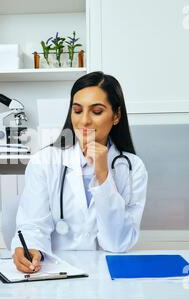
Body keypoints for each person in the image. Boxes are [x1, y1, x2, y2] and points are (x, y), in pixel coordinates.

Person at [11, 71, 148, 273]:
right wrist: (30, 248)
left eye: (97, 111)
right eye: (77, 110)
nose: (84, 121)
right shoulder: (44, 161)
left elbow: (117, 243)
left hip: (107, 276)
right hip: (55, 275)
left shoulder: (132, 168)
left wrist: (103, 176)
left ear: (116, 115)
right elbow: (32, 226)